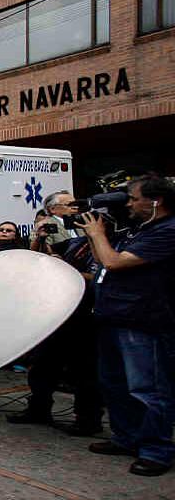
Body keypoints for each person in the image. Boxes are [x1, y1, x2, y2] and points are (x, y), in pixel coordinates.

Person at [82, 175, 175, 477]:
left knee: (147, 388)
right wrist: (92, 235)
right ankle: (126, 437)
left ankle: (156, 451)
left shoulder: (167, 231)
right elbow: (102, 261)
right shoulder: (139, 229)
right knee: (114, 384)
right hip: (113, 316)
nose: (130, 205)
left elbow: (115, 263)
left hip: (142, 322)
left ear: (156, 201)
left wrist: (98, 234)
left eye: (134, 199)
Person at [9, 192, 104, 435]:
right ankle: (39, 408)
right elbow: (38, 259)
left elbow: (102, 274)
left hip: (86, 315)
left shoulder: (103, 242)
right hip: (57, 314)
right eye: (69, 205)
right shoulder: (74, 243)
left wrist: (67, 272)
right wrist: (40, 239)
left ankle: (88, 419)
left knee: (84, 370)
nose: (74, 210)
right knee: (43, 365)